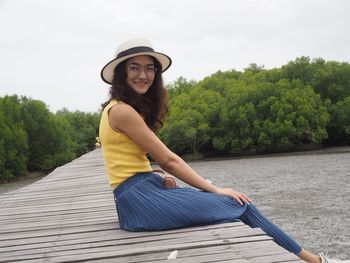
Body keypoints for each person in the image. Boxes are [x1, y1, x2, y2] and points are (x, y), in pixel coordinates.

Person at [99, 38, 347, 263]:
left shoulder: (120, 108)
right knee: (238, 204)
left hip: (140, 196)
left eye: (149, 68)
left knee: (228, 206)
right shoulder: (122, 112)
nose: (143, 74)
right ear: (121, 73)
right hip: (140, 201)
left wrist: (156, 177)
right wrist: (214, 188)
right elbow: (169, 160)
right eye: (134, 67)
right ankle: (314, 261)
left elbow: (127, 161)